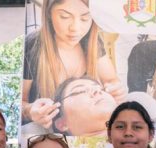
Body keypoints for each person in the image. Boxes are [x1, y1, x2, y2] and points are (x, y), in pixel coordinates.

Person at [22, 0, 126, 129]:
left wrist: (115, 90)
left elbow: (111, 80)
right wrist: (29, 110)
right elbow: (20, 103)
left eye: (85, 18)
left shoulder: (91, 41)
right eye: (64, 17)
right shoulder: (32, 46)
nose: (75, 28)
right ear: (49, 13)